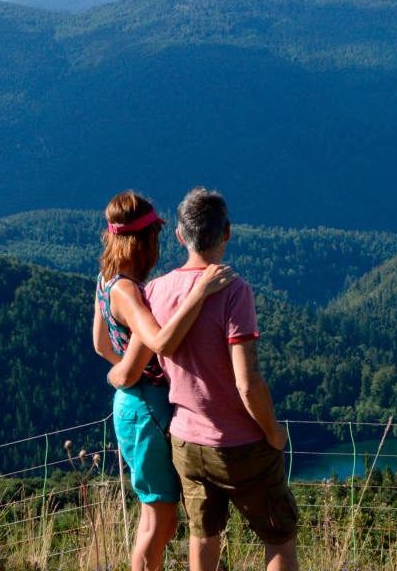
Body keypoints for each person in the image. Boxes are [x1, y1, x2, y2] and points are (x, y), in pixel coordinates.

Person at [111, 187, 299, 571]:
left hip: (187, 443)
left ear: (180, 236)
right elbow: (247, 383)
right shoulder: (235, 291)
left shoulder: (156, 291)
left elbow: (132, 352)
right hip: (242, 442)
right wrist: (273, 432)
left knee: (203, 536)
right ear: (227, 233)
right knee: (279, 537)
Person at [92, 190, 236, 571]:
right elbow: (160, 341)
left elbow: (100, 343)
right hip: (148, 407)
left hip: (134, 404)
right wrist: (200, 291)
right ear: (145, 241)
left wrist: (122, 369)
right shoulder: (129, 291)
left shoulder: (106, 281)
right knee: (160, 520)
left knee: (156, 514)